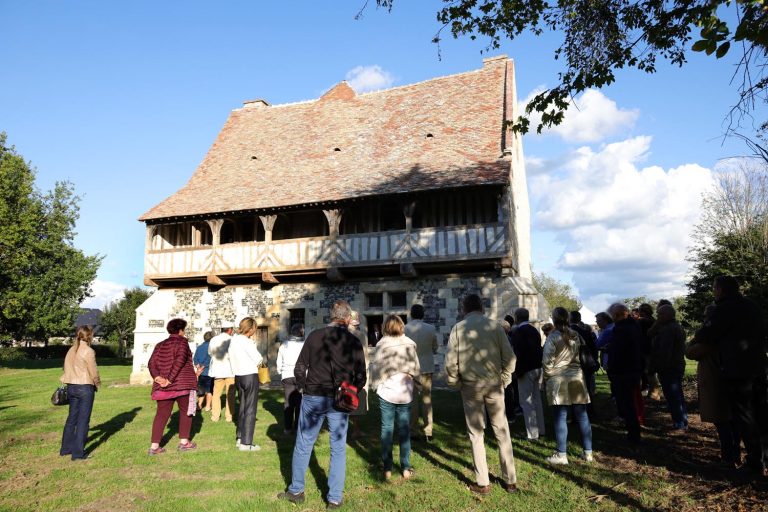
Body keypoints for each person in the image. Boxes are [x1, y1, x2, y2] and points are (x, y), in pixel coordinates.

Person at [278, 300, 367, 509]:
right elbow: (361, 376)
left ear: (331, 316)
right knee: (338, 448)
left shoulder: (315, 336)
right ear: (346, 319)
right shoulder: (352, 341)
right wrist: (352, 388)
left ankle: (296, 490)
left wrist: (303, 387)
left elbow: (299, 368)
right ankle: (334, 498)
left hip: (314, 395)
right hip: (339, 397)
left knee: (304, 443)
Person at [445, 294, 518, 495]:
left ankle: (483, 481)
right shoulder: (494, 327)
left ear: (464, 309)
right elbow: (510, 357)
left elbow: (451, 362)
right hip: (493, 384)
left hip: (471, 386)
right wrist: (504, 378)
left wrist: (455, 382)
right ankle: (510, 480)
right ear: (482, 309)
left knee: (476, 433)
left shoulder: (458, 328)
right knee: (502, 430)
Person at [695, 275, 768, 477]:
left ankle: (754, 463)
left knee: (745, 415)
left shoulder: (724, 309)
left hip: (738, 369)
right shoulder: (752, 306)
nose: (713, 292)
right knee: (761, 413)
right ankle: (764, 457)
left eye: (714, 288)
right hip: (759, 367)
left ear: (720, 290)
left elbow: (705, 336)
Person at [686, 304, 740, 467]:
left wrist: (698, 336)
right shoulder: (731, 334)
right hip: (731, 380)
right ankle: (734, 454)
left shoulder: (710, 340)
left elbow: (690, 352)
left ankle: (728, 457)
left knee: (723, 421)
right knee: (733, 420)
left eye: (705, 317)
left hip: (716, 383)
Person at [370, 314, 421, 480]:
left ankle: (387, 468)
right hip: (404, 391)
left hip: (388, 391)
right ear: (401, 326)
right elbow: (416, 367)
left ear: (386, 327)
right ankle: (405, 467)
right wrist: (415, 381)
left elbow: (376, 369)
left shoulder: (381, 346)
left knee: (387, 429)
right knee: (404, 429)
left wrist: (375, 384)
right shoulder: (409, 344)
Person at [542, 307, 593, 464]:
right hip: (577, 377)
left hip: (558, 379)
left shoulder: (553, 337)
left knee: (560, 416)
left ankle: (562, 454)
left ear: (553, 318)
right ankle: (588, 453)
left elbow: (546, 361)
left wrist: (547, 376)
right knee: (582, 415)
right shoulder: (575, 335)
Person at [147, 318, 198, 455]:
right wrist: (168, 379)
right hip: (182, 384)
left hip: (163, 386)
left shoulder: (160, 345)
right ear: (181, 330)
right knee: (186, 412)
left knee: (161, 415)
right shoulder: (183, 342)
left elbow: (151, 363)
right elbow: (180, 360)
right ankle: (184, 442)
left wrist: (157, 377)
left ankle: (154, 446)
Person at [60, 325, 101, 460]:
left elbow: (65, 368)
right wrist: (98, 384)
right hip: (85, 388)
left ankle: (66, 449)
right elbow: (93, 372)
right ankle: (78, 454)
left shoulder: (71, 350)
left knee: (71, 419)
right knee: (83, 421)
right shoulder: (89, 351)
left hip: (71, 387)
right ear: (89, 336)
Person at [607, 303, 645, 444]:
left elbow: (619, 352)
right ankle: (632, 432)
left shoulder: (623, 328)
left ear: (617, 315)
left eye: (612, 315)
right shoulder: (633, 326)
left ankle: (633, 436)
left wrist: (612, 368)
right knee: (629, 403)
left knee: (627, 404)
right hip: (632, 369)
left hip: (624, 371)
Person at [509, 307, 545, 442]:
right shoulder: (534, 330)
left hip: (526, 369)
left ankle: (532, 434)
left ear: (517, 318)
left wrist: (517, 371)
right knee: (536, 400)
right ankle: (541, 429)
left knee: (526, 402)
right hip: (536, 367)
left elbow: (518, 353)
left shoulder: (519, 331)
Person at [650, 305, 688, 430]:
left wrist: (657, 367)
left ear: (668, 315)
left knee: (673, 395)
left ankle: (679, 422)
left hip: (669, 367)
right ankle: (683, 420)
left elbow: (665, 352)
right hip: (677, 364)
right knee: (678, 394)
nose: (658, 317)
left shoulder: (668, 330)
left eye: (660, 314)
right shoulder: (677, 327)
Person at [404, 304, 438, 442]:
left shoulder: (405, 328)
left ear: (411, 314)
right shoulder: (430, 328)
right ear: (422, 314)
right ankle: (428, 431)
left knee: (412, 400)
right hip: (426, 367)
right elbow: (434, 346)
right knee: (427, 399)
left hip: (410, 369)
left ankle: (413, 430)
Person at [229, 317, 264, 451]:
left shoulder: (234, 340)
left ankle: (240, 437)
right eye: (254, 328)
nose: (254, 331)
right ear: (250, 329)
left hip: (238, 376)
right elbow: (258, 358)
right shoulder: (246, 341)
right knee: (250, 409)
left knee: (243, 407)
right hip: (249, 375)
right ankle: (246, 443)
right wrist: (254, 345)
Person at [277, 323, 305, 434]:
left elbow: (279, 361)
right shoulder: (304, 345)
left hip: (287, 375)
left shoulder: (284, 345)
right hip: (300, 375)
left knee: (288, 402)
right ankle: (298, 427)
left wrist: (280, 372)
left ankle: (287, 428)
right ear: (301, 333)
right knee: (299, 402)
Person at [570, 310, 599, 418]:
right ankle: (590, 410)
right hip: (586, 364)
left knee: (573, 391)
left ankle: (575, 415)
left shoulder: (568, 332)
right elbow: (594, 349)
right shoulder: (586, 332)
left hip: (573, 365)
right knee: (587, 389)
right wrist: (593, 361)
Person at [347, 311, 369, 439]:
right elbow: (365, 355)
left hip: (343, 370)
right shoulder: (361, 335)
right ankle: (356, 429)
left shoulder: (340, 334)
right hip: (357, 369)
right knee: (356, 399)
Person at [208, 323, 236, 422]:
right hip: (230, 370)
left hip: (218, 370)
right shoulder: (232, 339)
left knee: (216, 394)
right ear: (230, 330)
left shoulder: (213, 339)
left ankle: (215, 416)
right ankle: (229, 416)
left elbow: (210, 353)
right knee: (231, 394)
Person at [194, 331, 214, 411]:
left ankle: (199, 405)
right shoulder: (212, 347)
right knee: (209, 390)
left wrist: (198, 366)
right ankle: (208, 406)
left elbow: (195, 358)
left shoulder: (199, 347)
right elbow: (210, 359)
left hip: (201, 372)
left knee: (201, 390)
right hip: (209, 371)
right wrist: (203, 366)